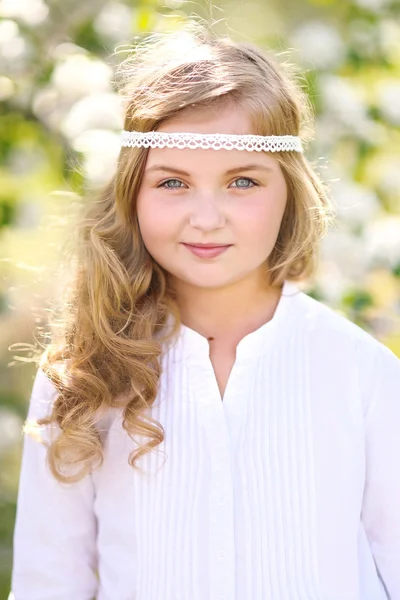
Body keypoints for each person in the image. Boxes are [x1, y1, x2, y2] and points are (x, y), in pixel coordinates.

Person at [9, 20, 400, 600]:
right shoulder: (83, 376)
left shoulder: (362, 373)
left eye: (242, 182)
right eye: (173, 183)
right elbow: (49, 584)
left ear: (289, 190)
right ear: (132, 192)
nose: (207, 216)